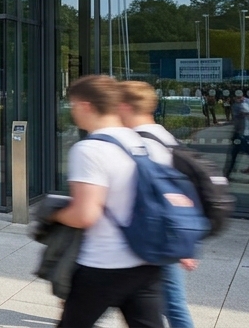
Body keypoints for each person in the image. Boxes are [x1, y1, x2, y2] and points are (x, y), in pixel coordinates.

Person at [50, 75, 163, 328]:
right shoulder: (143, 142)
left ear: (85, 106)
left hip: (103, 263)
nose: (72, 111)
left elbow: (85, 215)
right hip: (146, 259)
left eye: (73, 104)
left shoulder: (90, 149)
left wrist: (53, 215)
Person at [118, 81, 197, 328]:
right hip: (162, 233)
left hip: (155, 234)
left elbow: (161, 194)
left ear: (125, 107)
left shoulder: (144, 143)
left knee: (171, 304)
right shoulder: (162, 135)